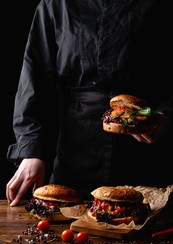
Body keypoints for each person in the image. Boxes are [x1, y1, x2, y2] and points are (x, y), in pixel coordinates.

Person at [6, 0, 173, 206]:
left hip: (148, 153)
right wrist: (31, 152)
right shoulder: (55, 5)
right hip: (76, 154)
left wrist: (166, 116)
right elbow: (34, 80)